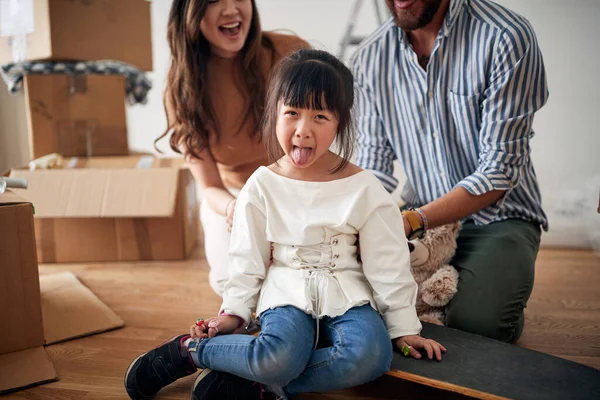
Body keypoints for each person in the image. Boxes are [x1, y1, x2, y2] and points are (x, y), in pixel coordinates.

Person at [125, 49, 445, 400]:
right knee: (279, 356)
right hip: (286, 291)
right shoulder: (261, 186)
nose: (303, 131)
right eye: (292, 113)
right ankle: (189, 351)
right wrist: (233, 314)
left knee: (371, 356)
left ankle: (256, 386)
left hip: (348, 294)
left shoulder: (363, 187)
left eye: (320, 116)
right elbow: (247, 260)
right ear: (274, 113)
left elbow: (387, 263)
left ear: (340, 122)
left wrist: (403, 328)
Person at [350, 0, 549, 343]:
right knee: (351, 300)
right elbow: (374, 169)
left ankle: (485, 293)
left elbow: (498, 173)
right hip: (419, 221)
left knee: (477, 328)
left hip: (500, 219)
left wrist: (414, 220)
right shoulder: (369, 58)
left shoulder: (505, 36)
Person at [157, 0, 309, 296]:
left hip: (297, 187)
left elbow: (321, 137)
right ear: (189, 13)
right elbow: (210, 186)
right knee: (237, 288)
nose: (230, 9)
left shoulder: (289, 53)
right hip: (233, 200)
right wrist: (235, 209)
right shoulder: (182, 90)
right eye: (213, 1)